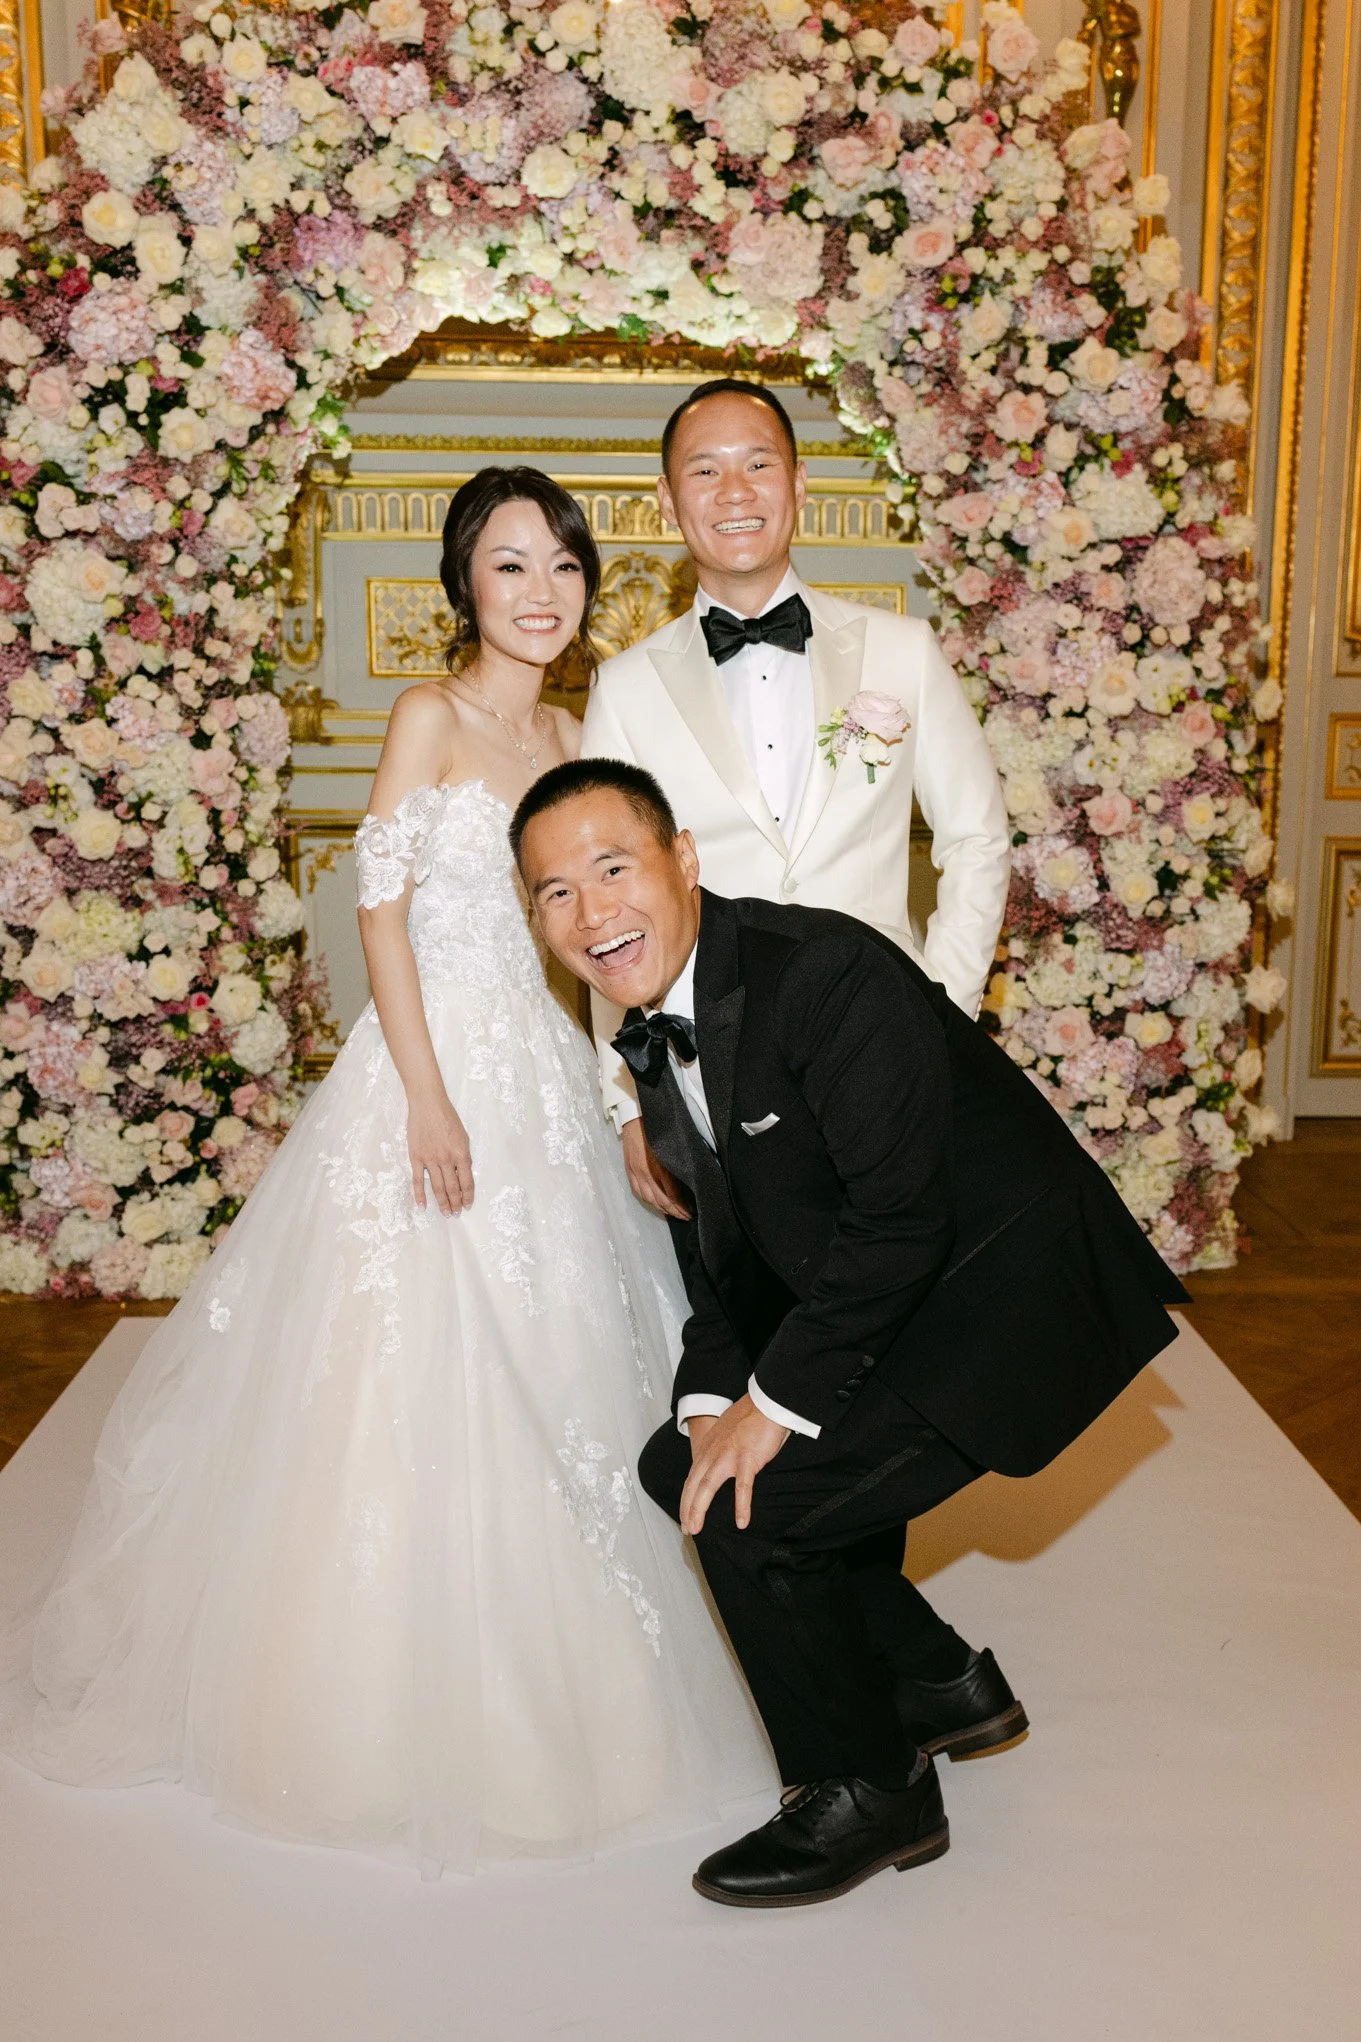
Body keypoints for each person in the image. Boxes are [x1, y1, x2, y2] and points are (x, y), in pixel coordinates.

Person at [0, 471, 774, 1877]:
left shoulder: (570, 734)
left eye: (562, 565)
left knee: (573, 1353)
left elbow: (595, 945)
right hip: (430, 1071)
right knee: (402, 1365)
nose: (540, 592)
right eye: (509, 565)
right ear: (463, 583)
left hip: (542, 1074)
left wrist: (617, 1094)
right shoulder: (430, 714)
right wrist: (424, 1094)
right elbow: (382, 915)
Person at [513, 758, 1190, 1909]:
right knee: (681, 1462)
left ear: (684, 858)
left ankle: (871, 1785)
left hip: (986, 1304)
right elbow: (719, 1258)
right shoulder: (652, 1028)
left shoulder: (821, 972)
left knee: (755, 1506)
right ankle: (937, 1682)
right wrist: (710, 1402)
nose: (590, 911)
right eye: (555, 892)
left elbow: (899, 1222)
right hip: (879, 1304)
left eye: (612, 867)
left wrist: (771, 1410)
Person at [579, 377, 1010, 1229]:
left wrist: (939, 1010)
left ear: (800, 481)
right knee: (748, 1297)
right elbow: (605, 902)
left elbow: (976, 840)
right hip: (711, 1070)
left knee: (908, 1277)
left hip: (889, 1042)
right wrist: (628, 1098)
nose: (733, 492)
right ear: (667, 500)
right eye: (704, 471)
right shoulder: (624, 689)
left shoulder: (903, 651)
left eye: (758, 464)